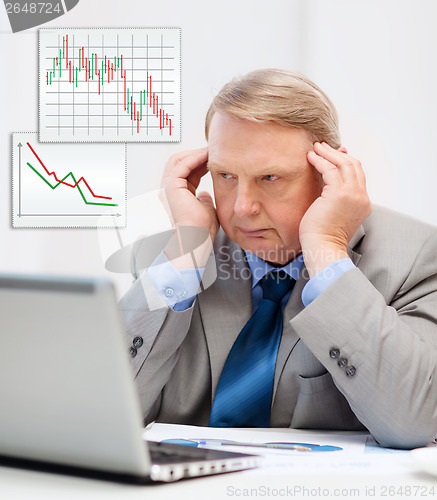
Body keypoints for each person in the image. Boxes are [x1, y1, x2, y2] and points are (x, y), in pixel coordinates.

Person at [119, 68, 437, 449]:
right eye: (225, 175)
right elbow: (102, 412)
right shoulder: (169, 256)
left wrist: (327, 251)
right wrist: (185, 253)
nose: (242, 208)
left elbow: (414, 423)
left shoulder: (416, 258)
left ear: (330, 172)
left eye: (270, 177)